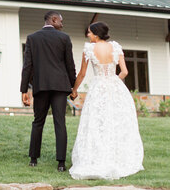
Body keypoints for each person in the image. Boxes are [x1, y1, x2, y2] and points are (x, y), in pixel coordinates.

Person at [69, 21, 144, 180]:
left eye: (89, 32)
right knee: (115, 121)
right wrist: (113, 80)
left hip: (98, 88)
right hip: (115, 87)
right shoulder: (116, 47)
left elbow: (82, 74)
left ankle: (97, 157)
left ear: (96, 34)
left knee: (96, 122)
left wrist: (74, 90)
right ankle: (116, 157)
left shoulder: (89, 49)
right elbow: (124, 71)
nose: (88, 35)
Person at [19, 10, 77, 172]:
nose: (62, 24)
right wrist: (73, 86)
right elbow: (70, 65)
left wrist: (24, 89)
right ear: (53, 19)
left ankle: (33, 159)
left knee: (38, 122)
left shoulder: (32, 38)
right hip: (60, 86)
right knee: (60, 123)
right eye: (61, 21)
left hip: (41, 85)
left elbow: (27, 66)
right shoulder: (64, 38)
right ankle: (61, 163)